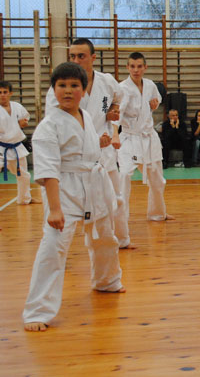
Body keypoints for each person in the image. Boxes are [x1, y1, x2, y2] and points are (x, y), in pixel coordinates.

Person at [23, 62, 125, 332]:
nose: (67, 91)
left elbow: (85, 148)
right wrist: (54, 209)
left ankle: (107, 281)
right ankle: (37, 310)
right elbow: (48, 171)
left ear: (84, 89)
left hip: (93, 183)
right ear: (53, 89)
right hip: (63, 188)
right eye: (62, 86)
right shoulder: (48, 126)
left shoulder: (86, 116)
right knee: (53, 247)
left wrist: (99, 143)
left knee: (104, 236)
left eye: (74, 86)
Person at [44, 38, 130, 248]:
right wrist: (90, 141)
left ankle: (122, 239)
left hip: (105, 151)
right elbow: (56, 125)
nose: (75, 60)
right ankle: (58, 246)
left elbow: (118, 97)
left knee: (116, 199)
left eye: (80, 56)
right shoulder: (61, 89)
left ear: (93, 57)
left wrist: (113, 110)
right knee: (73, 206)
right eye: (72, 56)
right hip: (75, 157)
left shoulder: (106, 81)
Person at [118, 52, 174, 236]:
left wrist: (154, 104)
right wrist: (114, 135)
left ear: (145, 67)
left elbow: (156, 102)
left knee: (157, 179)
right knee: (124, 175)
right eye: (132, 66)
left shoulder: (150, 85)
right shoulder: (122, 88)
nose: (136, 70)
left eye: (139, 66)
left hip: (149, 138)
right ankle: (120, 218)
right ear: (127, 67)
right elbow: (116, 113)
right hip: (129, 138)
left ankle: (158, 213)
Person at [0, 80, 39, 205]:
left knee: (24, 175)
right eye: (0, 92)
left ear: (10, 93)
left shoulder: (17, 107)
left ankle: (24, 199)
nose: (2, 95)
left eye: (5, 92)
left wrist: (23, 123)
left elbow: (25, 119)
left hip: (16, 147)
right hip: (1, 148)